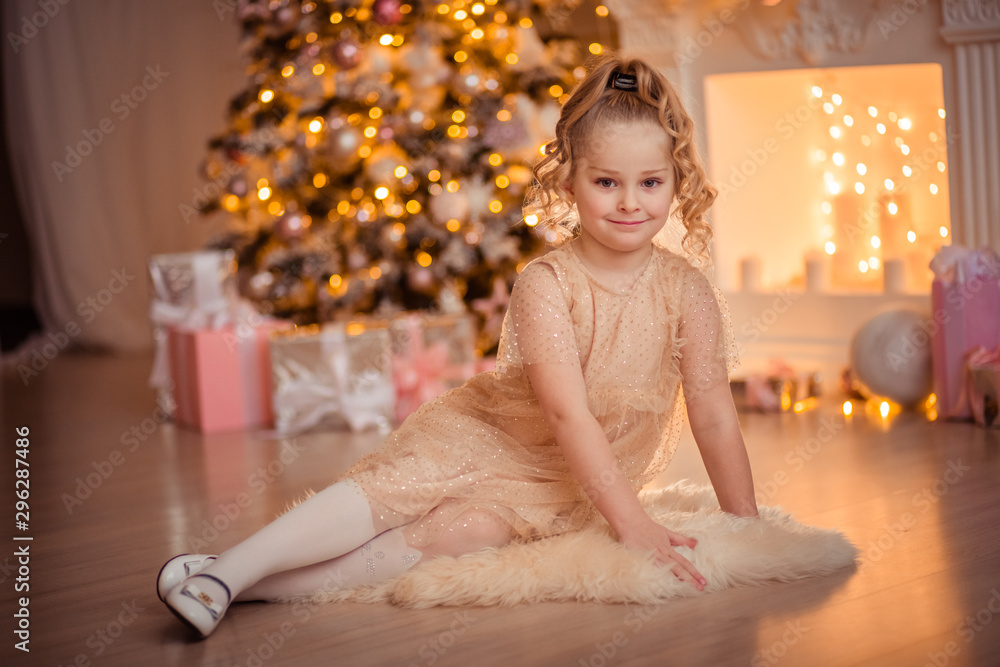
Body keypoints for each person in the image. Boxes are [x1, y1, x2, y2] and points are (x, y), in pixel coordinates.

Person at [158, 53, 758, 639]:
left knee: (463, 533)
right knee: (400, 487)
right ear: (570, 182)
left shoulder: (687, 291)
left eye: (650, 182)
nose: (630, 202)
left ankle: (234, 585)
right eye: (607, 182)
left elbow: (712, 413)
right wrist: (632, 524)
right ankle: (235, 564)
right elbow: (565, 414)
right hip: (497, 435)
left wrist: (748, 526)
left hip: (567, 479)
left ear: (676, 182)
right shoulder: (548, 284)